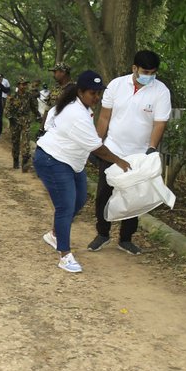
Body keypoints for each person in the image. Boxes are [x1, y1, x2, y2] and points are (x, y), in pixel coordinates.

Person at [33, 71, 131, 273]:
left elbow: (50, 119)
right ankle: (64, 255)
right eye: (92, 94)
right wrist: (120, 161)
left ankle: (54, 234)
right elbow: (98, 149)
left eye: (98, 94)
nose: (96, 98)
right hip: (53, 161)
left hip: (72, 162)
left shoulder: (77, 107)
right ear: (80, 92)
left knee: (79, 199)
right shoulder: (76, 114)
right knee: (66, 206)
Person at [88, 50, 173, 255]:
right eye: (145, 71)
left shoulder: (161, 91)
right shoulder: (117, 85)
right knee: (103, 194)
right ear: (134, 68)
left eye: (153, 72)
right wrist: (97, 144)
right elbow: (104, 117)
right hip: (112, 150)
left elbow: (159, 123)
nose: (149, 76)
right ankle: (102, 233)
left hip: (138, 154)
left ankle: (126, 239)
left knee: (133, 197)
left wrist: (151, 149)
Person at [5, 78, 39, 171]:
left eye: (25, 84)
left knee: (26, 141)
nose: (24, 86)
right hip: (15, 121)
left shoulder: (29, 96)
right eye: (22, 84)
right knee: (15, 141)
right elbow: (7, 109)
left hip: (25, 120)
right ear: (18, 85)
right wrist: (10, 118)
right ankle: (16, 160)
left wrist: (38, 115)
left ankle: (24, 162)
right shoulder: (12, 96)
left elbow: (33, 107)